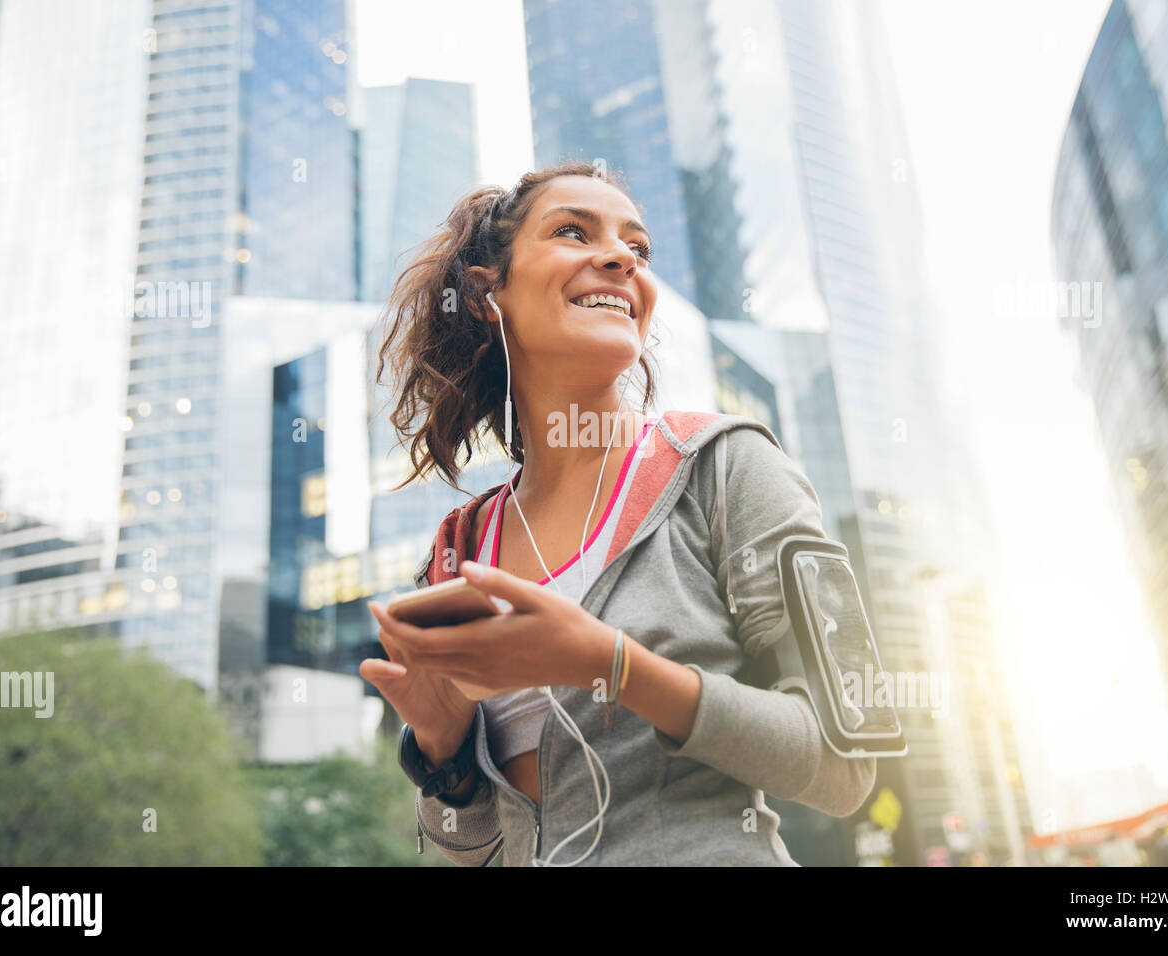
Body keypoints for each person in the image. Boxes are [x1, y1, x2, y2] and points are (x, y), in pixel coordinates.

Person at [361, 160, 876, 866]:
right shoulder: (458, 553)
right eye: (572, 232)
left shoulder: (725, 467)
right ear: (488, 295)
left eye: (638, 248)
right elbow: (475, 852)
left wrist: (612, 665)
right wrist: (443, 747)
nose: (618, 259)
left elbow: (845, 766)